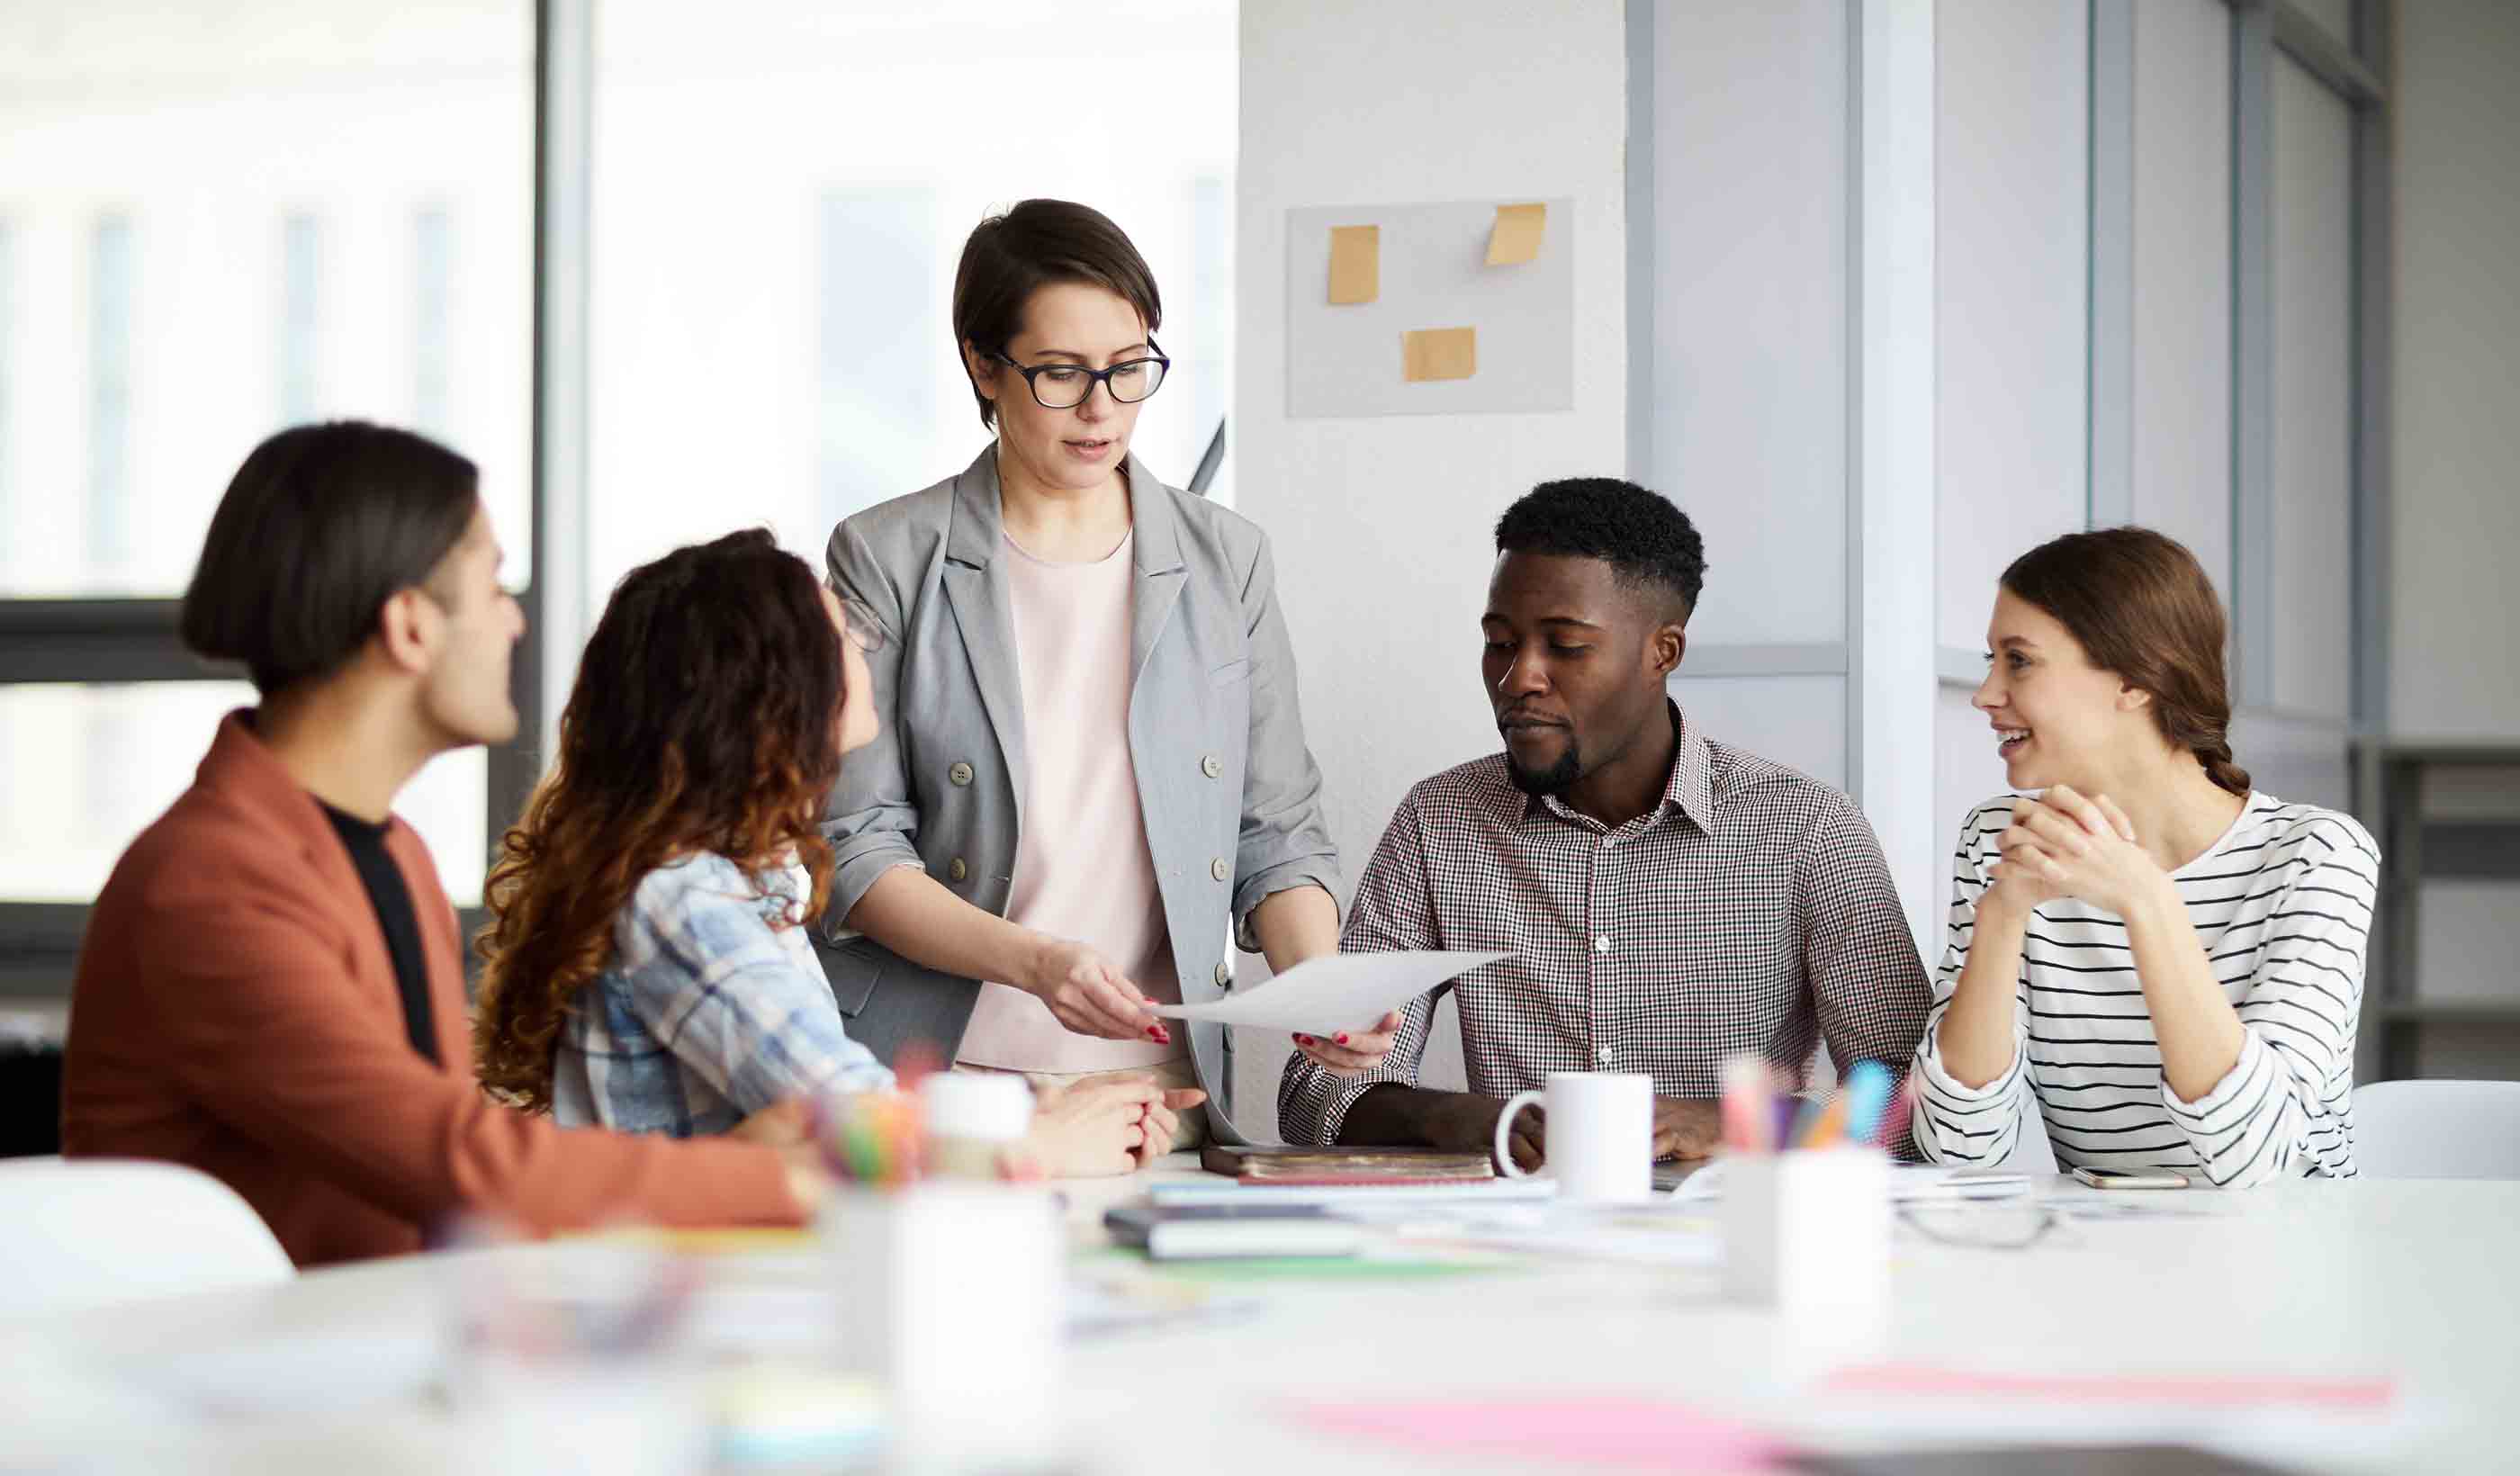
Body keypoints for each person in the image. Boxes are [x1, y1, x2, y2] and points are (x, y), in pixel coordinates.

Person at [62, 423, 815, 1266]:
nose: (515, 623)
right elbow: (459, 1161)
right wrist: (783, 1180)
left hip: (371, 1337)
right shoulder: (209, 885)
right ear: (411, 627)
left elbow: (450, 1146)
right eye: (493, 584)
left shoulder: (394, 852)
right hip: (229, 1375)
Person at [820, 199, 1376, 1152]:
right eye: (1061, 373)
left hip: (1154, 1093)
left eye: (1129, 369)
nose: (1101, 408)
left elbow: (1275, 829)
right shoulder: (886, 553)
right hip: (938, 1083)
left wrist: (1320, 991)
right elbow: (856, 848)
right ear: (982, 365)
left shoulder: (1224, 559)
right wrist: (1035, 962)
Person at [470, 530, 1197, 1174]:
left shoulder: (741, 873)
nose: (868, 648)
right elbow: (846, 1114)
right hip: (686, 1283)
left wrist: (1064, 1109)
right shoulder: (683, 896)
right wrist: (1045, 1141)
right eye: (845, 633)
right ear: (771, 693)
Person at [1278, 478, 1930, 1165]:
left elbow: (1907, 1105)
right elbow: (1317, 1090)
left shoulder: (1806, 829)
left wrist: (1737, 1124)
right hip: (1513, 1246)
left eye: (1565, 645)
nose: (1519, 677)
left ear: (1663, 653)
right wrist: (1479, 1121)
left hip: (1735, 1242)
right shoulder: (1438, 822)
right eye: (1501, 642)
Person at [1909, 527, 2374, 1184]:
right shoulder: (2002, 838)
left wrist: (2148, 900)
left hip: (2283, 1261)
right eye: (1991, 660)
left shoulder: (2316, 855)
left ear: (2134, 679)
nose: (1986, 693)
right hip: (2095, 1259)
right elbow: (1957, 1149)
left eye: (2019, 660)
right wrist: (2003, 915)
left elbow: (2259, 1162)